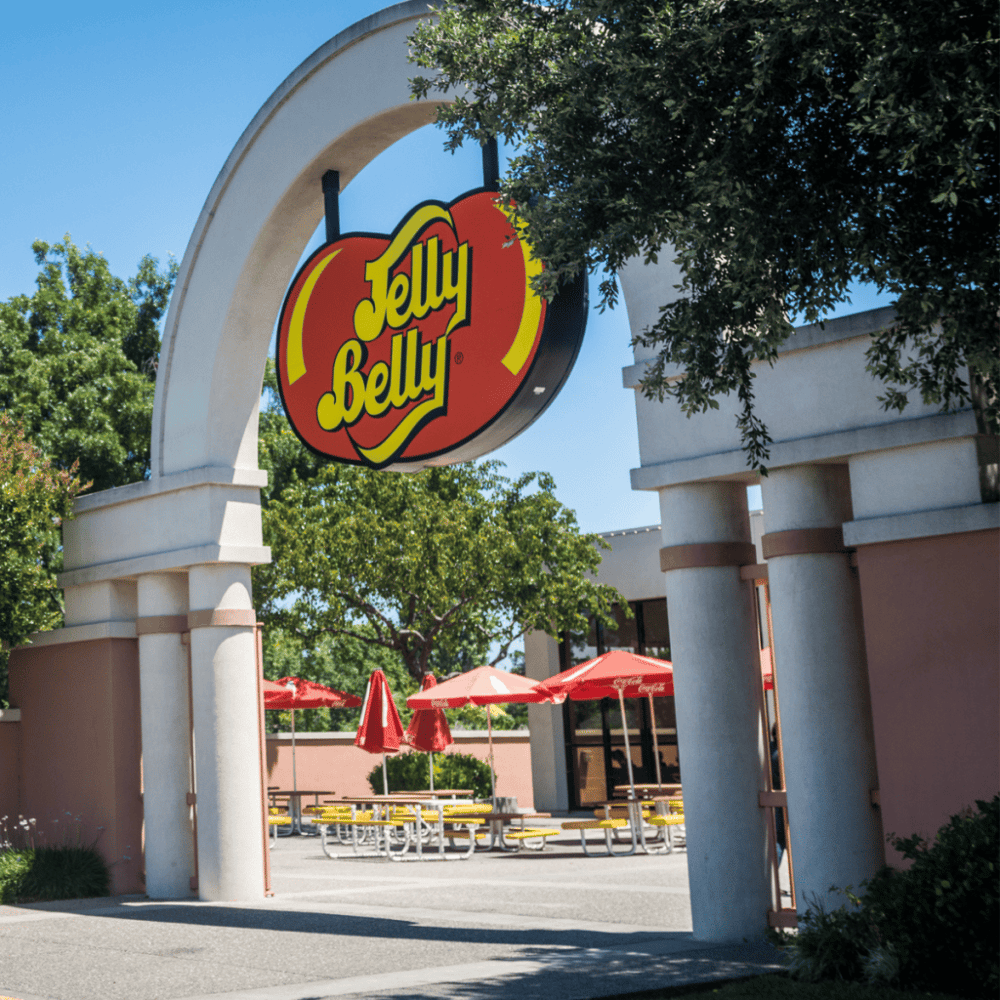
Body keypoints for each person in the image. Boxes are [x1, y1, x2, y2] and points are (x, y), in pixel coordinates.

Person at [770, 725, 787, 864]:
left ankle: (771, 875)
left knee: (778, 840)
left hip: (774, 801)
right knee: (780, 840)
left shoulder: (769, 749)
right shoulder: (780, 753)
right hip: (784, 801)